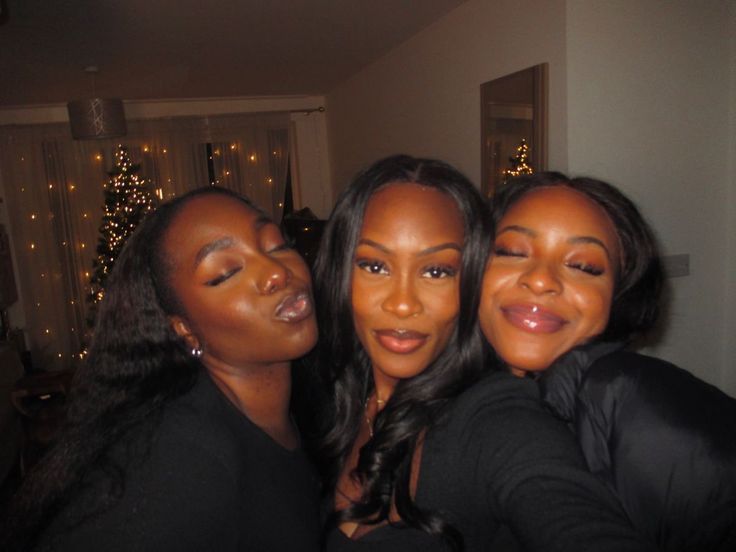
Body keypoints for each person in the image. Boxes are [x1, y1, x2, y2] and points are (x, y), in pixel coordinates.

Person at [313, 155, 655, 551]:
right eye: (374, 265)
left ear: (471, 275)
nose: (402, 304)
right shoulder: (334, 388)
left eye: (437, 271)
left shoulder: (496, 417)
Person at [2, 187, 321, 551]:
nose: (277, 272)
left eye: (277, 244)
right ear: (184, 330)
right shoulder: (180, 455)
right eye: (226, 272)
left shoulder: (302, 400)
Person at [479, 171, 736, 551]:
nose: (540, 280)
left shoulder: (643, 406)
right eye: (513, 251)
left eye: (583, 266)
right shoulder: (452, 398)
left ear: (617, 295)